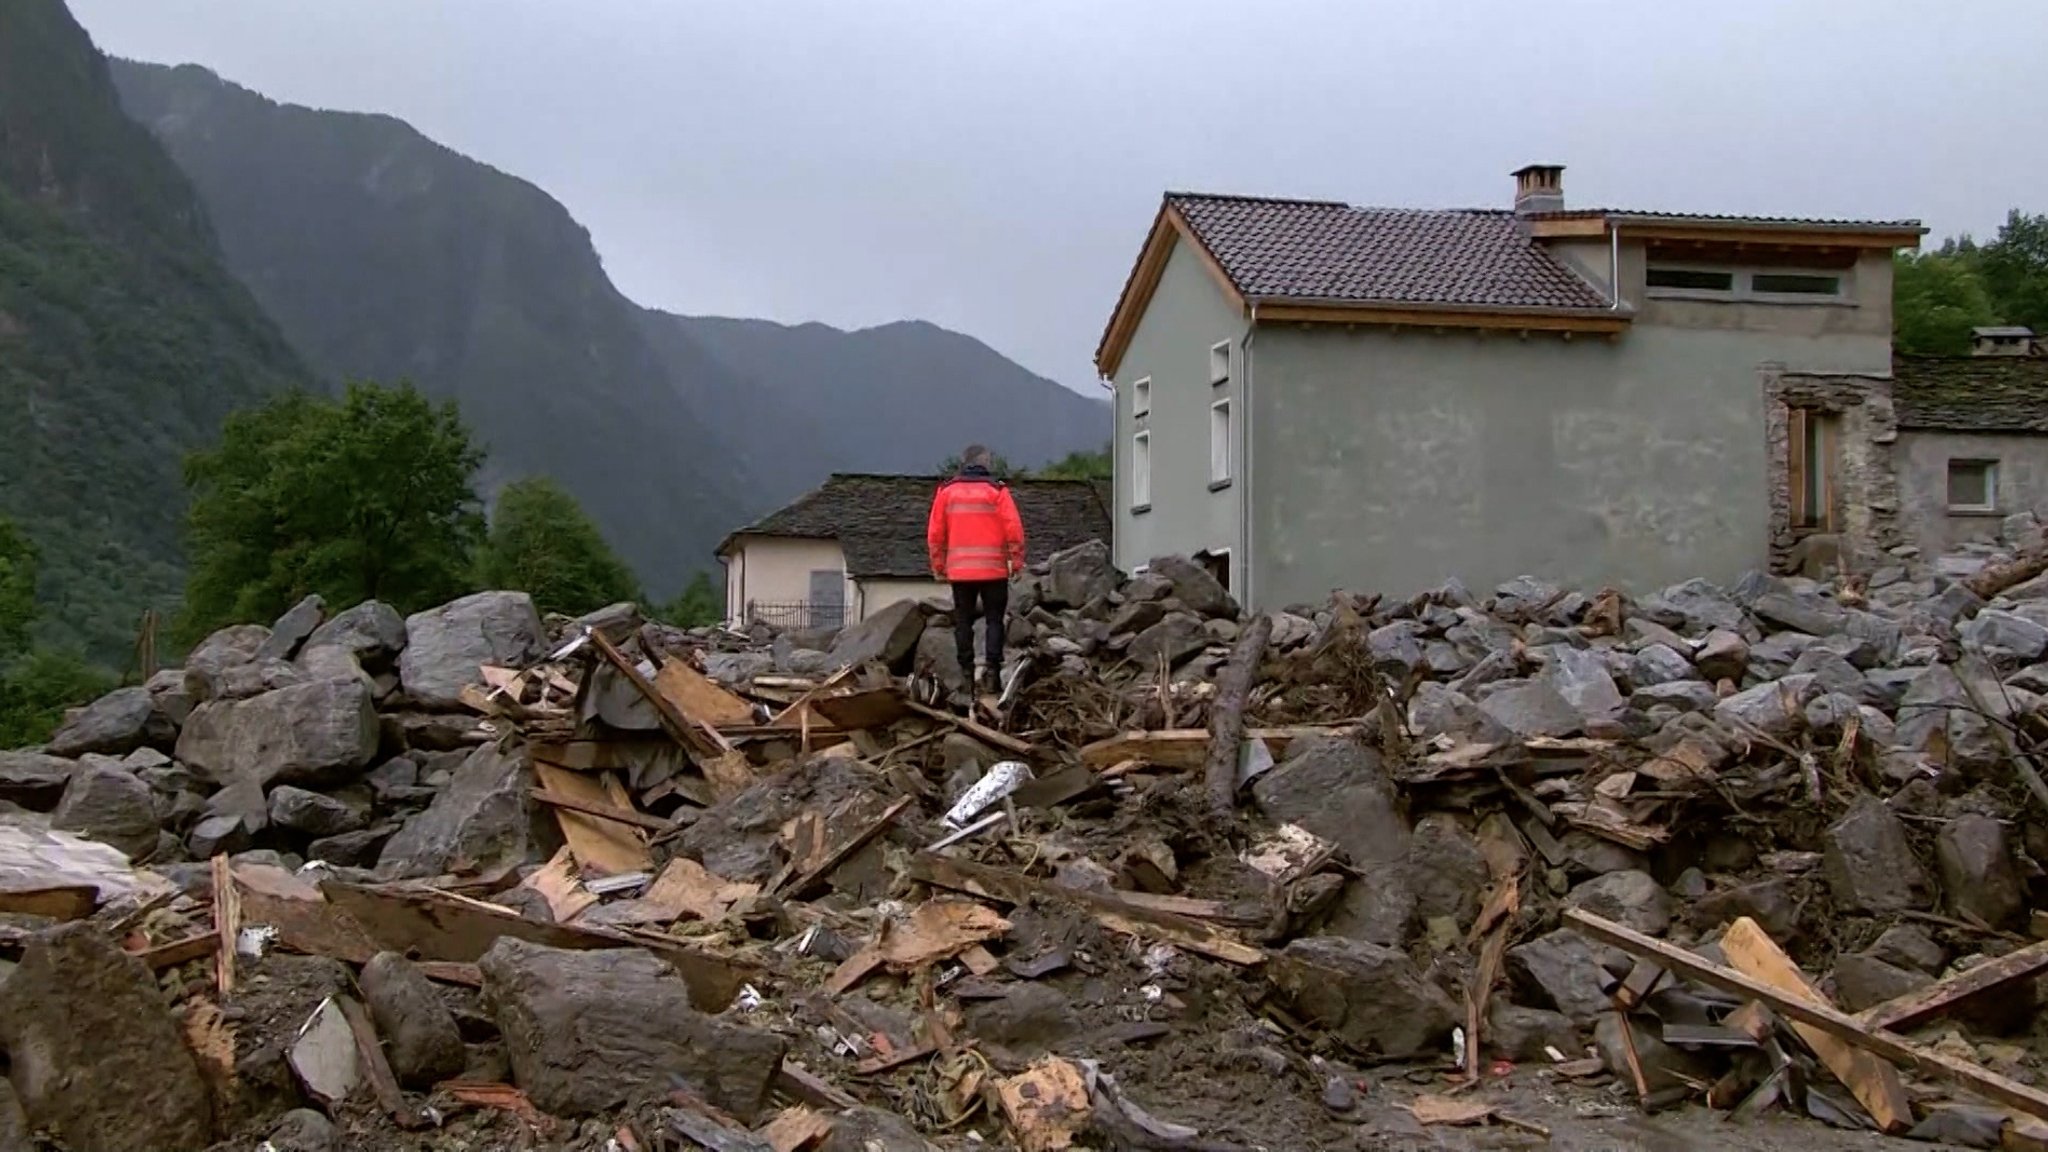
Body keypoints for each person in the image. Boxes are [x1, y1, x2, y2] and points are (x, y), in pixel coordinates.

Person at [927, 445, 1026, 694]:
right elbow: (1014, 530)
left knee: (963, 622)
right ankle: (992, 671)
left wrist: (939, 566)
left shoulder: (947, 492)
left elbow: (935, 535)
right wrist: (1016, 561)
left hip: (960, 572)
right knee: (994, 621)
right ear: (986, 462)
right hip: (994, 570)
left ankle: (966, 675)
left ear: (963, 462)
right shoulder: (998, 492)